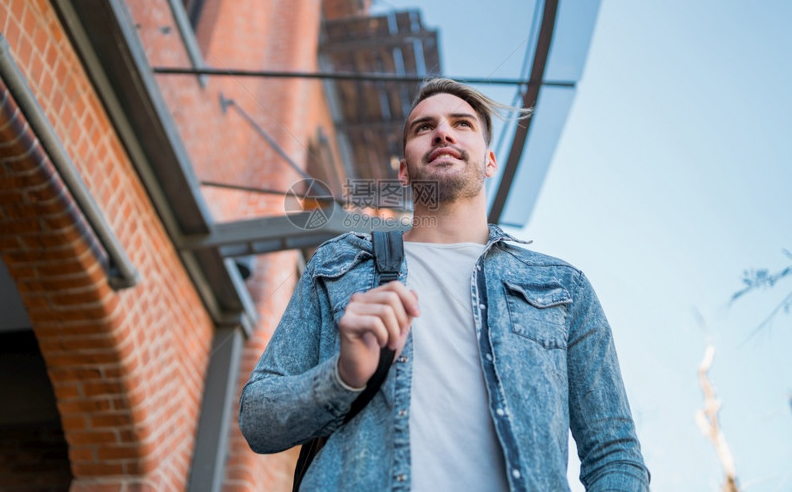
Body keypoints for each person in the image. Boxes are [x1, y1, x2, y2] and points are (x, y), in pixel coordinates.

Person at [239, 78, 650, 491]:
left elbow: (614, 454)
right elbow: (258, 420)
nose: (442, 132)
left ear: (489, 162)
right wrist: (343, 375)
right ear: (403, 170)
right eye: (423, 127)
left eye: (462, 123)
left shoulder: (563, 288)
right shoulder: (340, 263)